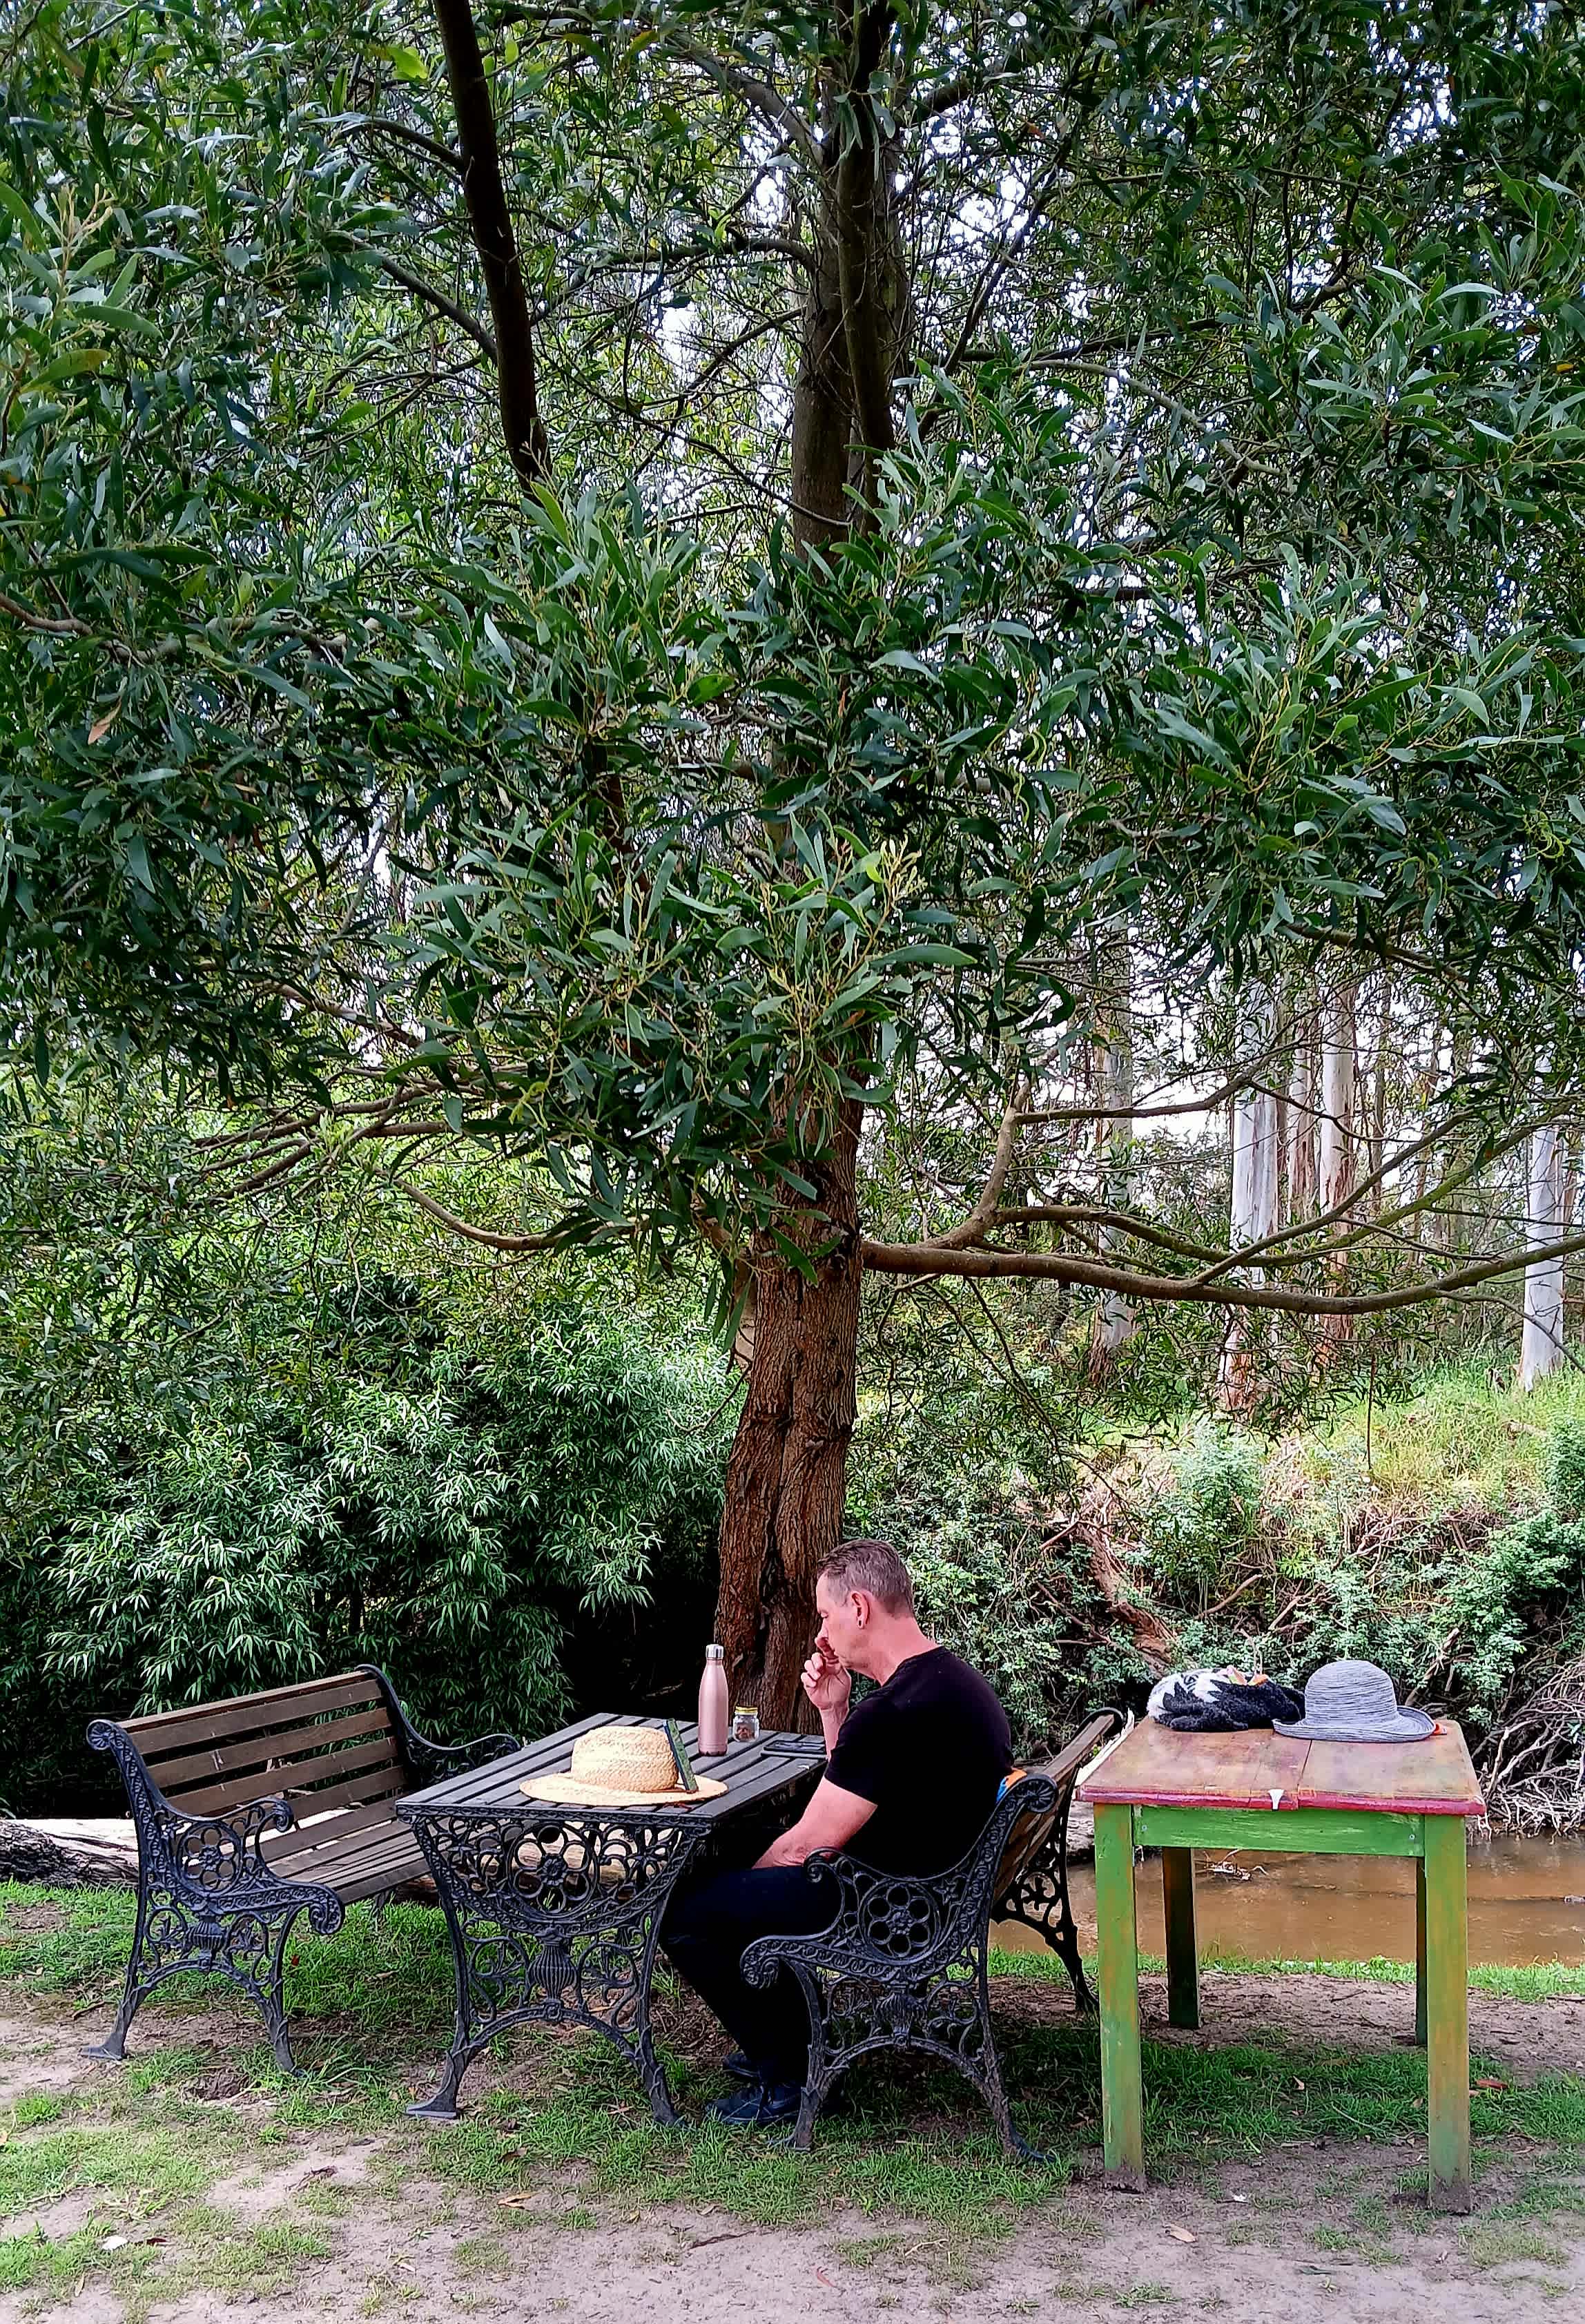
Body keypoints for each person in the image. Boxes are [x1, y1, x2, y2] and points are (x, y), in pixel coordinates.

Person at [661, 1537, 1012, 2128]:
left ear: (859, 1606)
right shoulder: (950, 1682)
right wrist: (833, 1712)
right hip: (918, 1885)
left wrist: (750, 1886)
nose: (822, 1634)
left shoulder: (897, 1712)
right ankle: (795, 2041)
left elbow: (808, 1846)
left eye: (825, 1615)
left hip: (886, 1905)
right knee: (722, 1858)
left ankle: (793, 2077)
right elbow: (861, 1792)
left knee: (688, 1914)